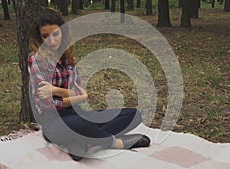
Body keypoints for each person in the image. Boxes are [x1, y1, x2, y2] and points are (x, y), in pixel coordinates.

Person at [28, 8, 150, 161]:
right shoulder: (37, 60)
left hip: (78, 113)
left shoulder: (69, 59)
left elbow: (75, 93)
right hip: (54, 122)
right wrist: (78, 96)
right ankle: (114, 142)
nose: (51, 41)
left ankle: (85, 143)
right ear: (39, 38)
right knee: (78, 123)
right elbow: (50, 104)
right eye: (45, 36)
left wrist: (55, 90)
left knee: (133, 115)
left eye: (55, 34)